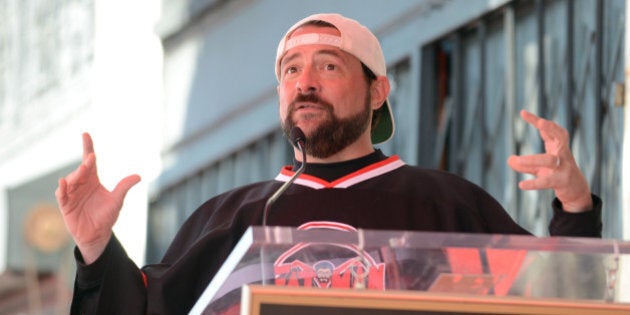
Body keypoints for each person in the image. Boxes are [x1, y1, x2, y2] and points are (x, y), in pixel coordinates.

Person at [56, 13, 601, 314]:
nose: (304, 82)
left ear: (377, 90)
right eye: (290, 70)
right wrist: (97, 248)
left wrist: (574, 207)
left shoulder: (449, 204)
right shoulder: (227, 217)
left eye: (328, 65)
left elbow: (563, 299)